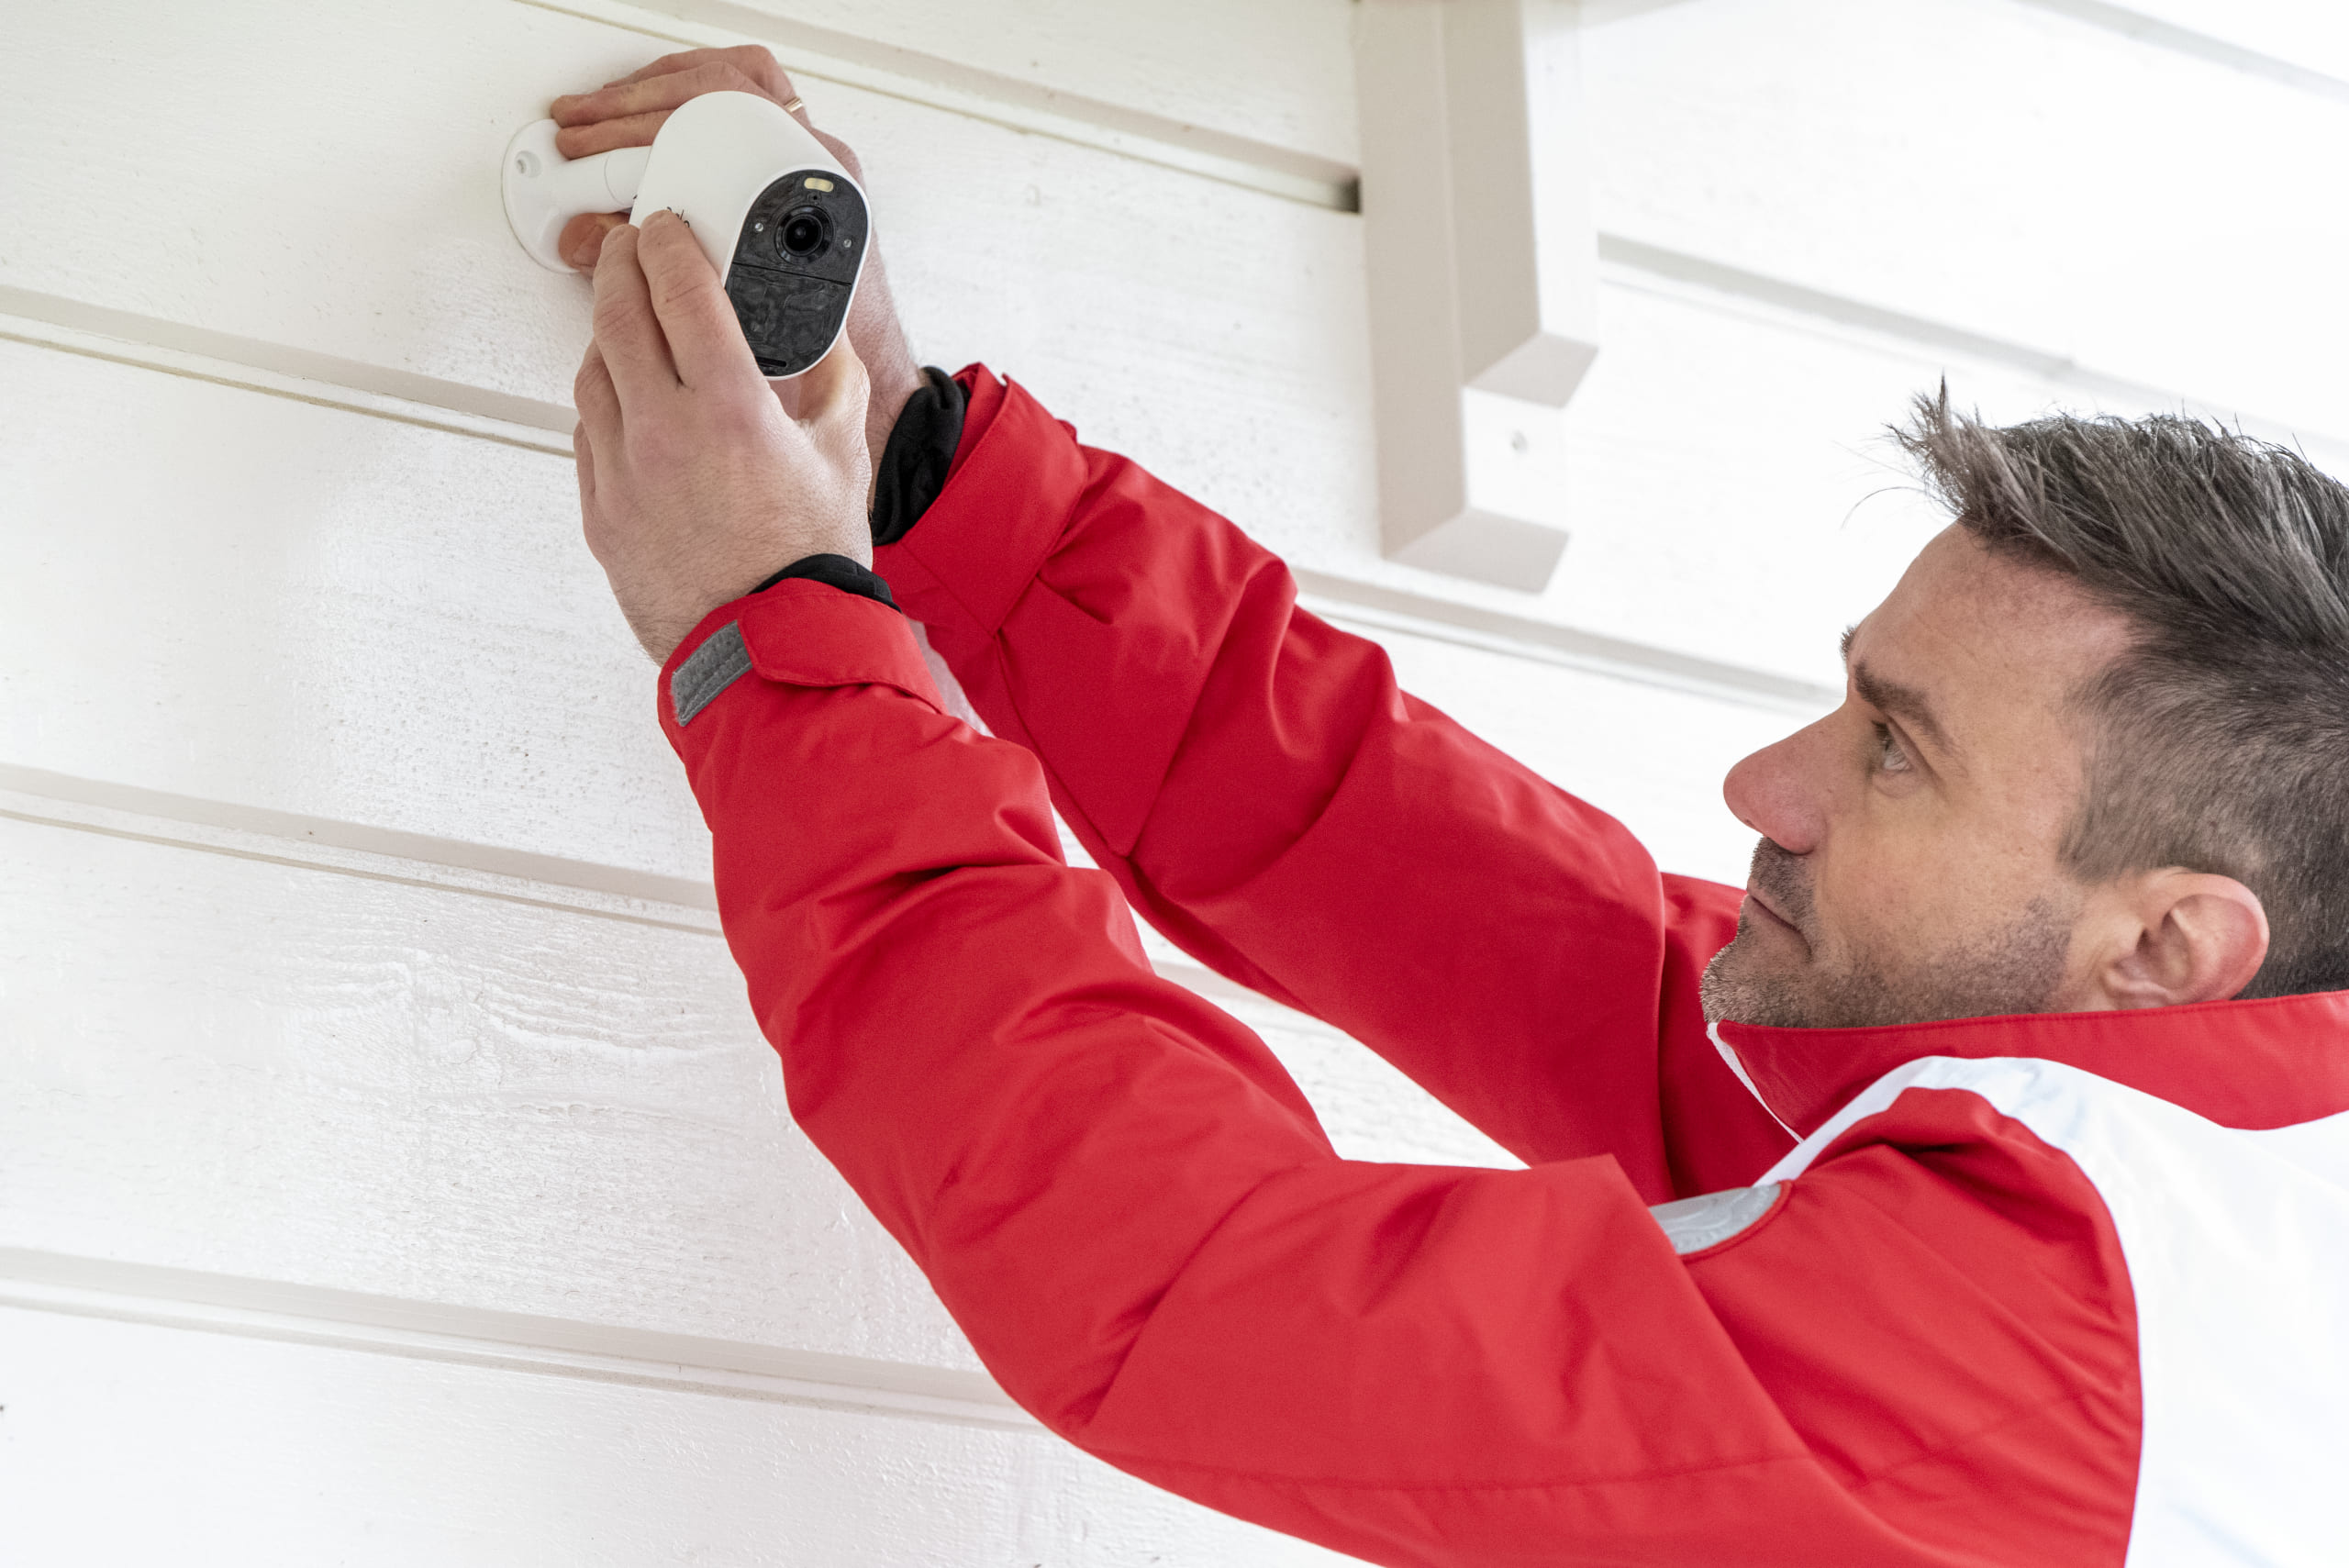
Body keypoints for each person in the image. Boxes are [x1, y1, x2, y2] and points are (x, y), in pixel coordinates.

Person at [551, 50, 2349, 1567]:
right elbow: (1434, 877)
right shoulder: (2195, 1173)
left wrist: (770, 641)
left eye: (1893, 748)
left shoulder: (2037, 1334)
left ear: (2168, 940)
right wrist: (922, 470)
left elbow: (1184, 1287)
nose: (1762, 788)